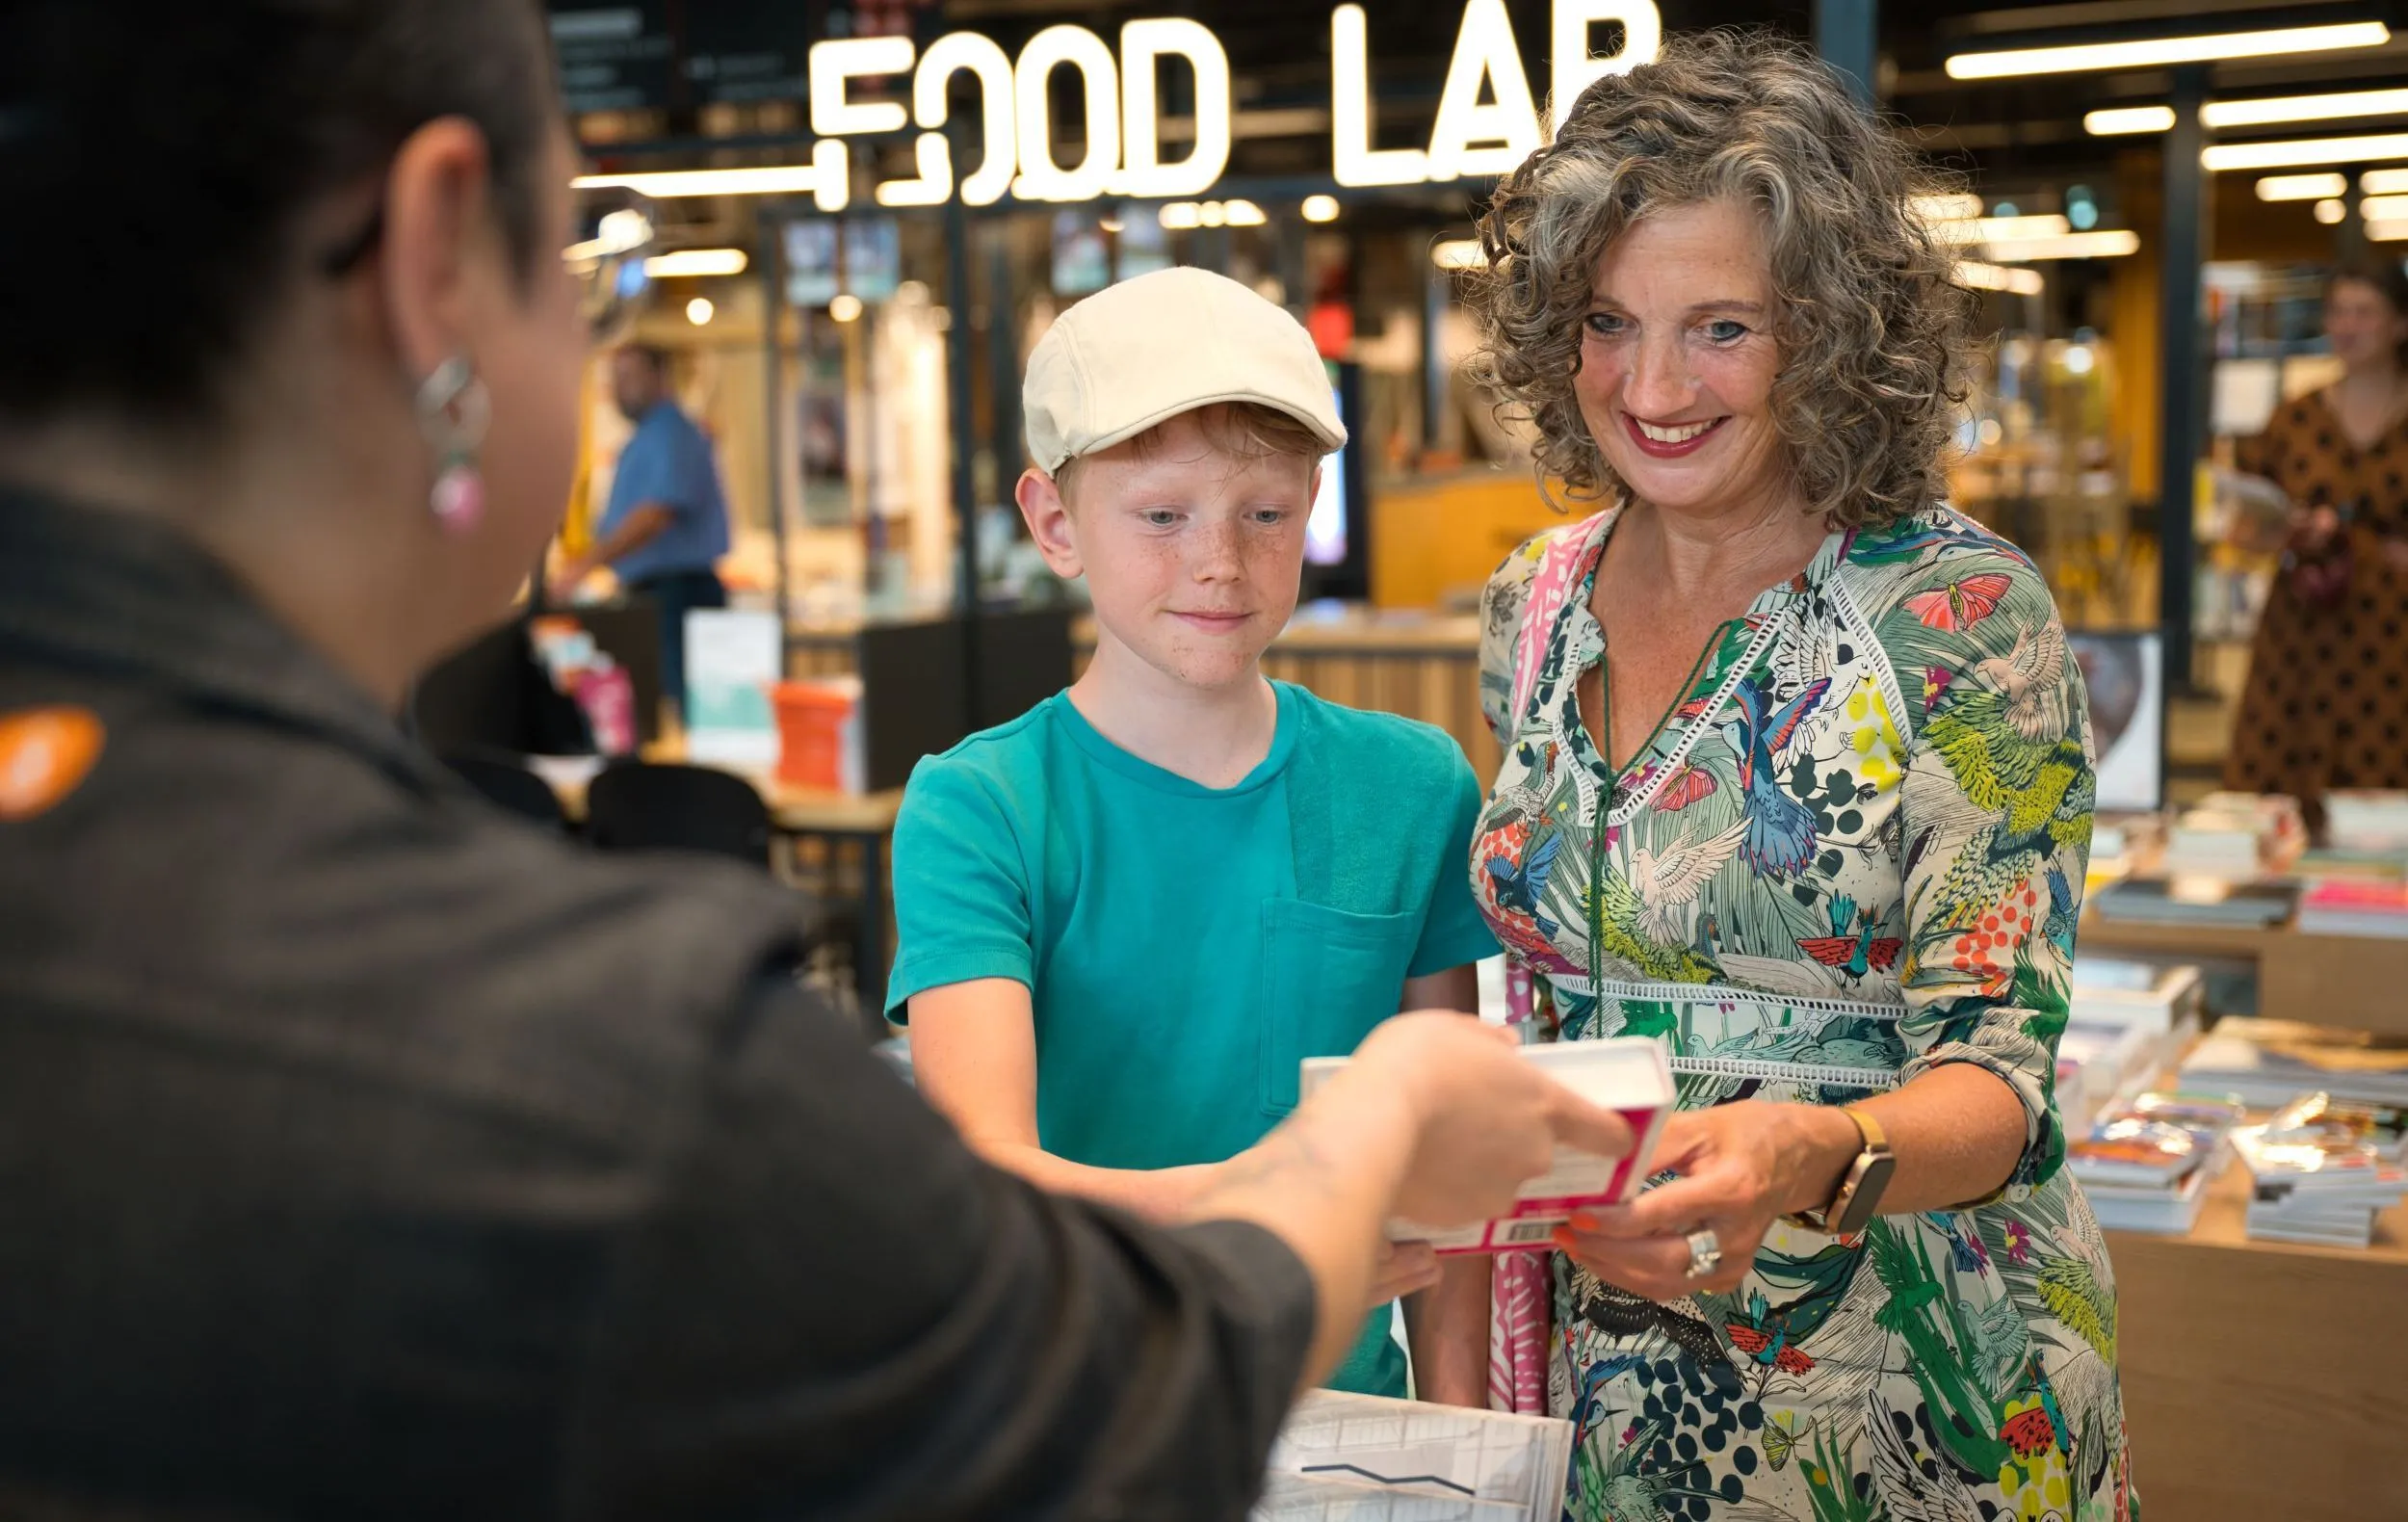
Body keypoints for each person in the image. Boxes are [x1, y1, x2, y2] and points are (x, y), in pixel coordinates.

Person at [0, 4, 1636, 1517]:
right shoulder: (590, 1060)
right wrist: (1371, 1135)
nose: (1218, 556)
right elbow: (1043, 1363)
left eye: (1264, 513)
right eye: (574, 265)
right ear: (436, 254)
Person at [1461, 34, 2133, 1520]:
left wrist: (1812, 1151)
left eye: (1720, 328)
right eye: (1608, 322)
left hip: (1914, 1379)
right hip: (1620, 1373)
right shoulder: (1536, 603)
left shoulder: (1954, 613)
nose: (1651, 386)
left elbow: (2001, 1088)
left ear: (1828, 333)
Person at [888, 266, 1505, 1404]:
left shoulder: (1414, 786)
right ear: (1055, 522)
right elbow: (988, 1179)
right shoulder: (979, 807)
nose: (1219, 560)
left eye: (1264, 513)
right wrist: (1276, 1223)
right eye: (1162, 515)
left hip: (1351, 1429)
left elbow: (1444, 1172)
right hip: (1076, 1414)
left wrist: (1463, 1438)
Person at [2224, 259, 2408, 823]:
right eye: (2337, 312)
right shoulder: (2295, 418)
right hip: (2301, 631)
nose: (2347, 326)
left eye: (2364, 312)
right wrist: (2285, 529)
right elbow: (2243, 532)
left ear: (2400, 323)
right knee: (2279, 799)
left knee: (2382, 810)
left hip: (2393, 635)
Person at [551, 343, 731, 722]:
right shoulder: (645, 437)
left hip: (677, 594)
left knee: (681, 711)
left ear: (660, 376)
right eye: (616, 379)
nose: (621, 388)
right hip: (656, 592)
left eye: (630, 377)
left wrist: (586, 564)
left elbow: (656, 513)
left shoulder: (670, 433)